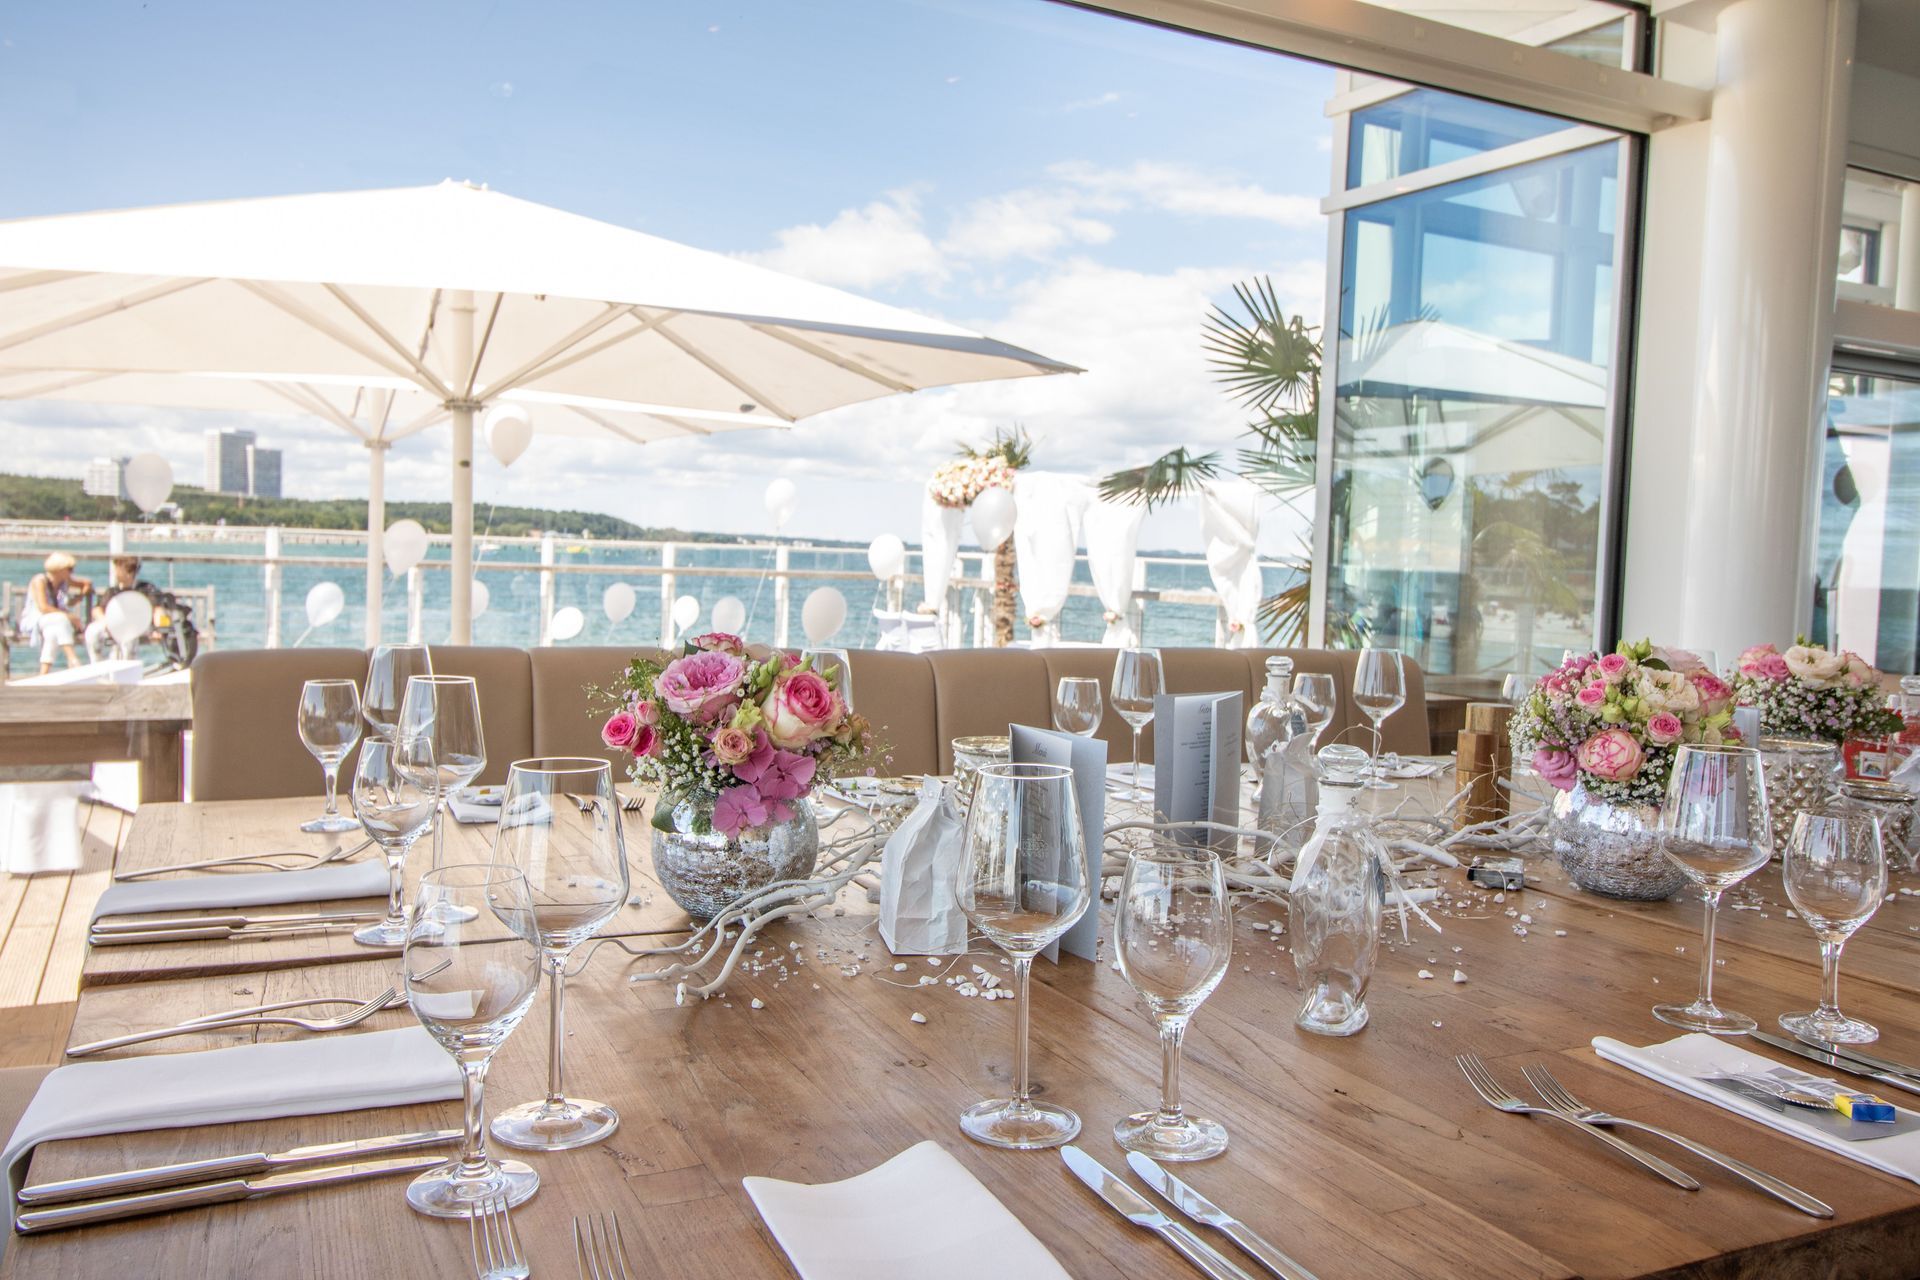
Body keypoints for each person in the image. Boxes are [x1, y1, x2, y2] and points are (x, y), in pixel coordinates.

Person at [20, 552, 91, 675]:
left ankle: (44, 673)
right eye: (69, 569)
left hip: (52, 623)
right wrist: (69, 616)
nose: (71, 572)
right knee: (59, 620)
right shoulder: (40, 581)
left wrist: (80, 596)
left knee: (52, 632)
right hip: (36, 620)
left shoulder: (64, 582)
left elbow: (86, 583)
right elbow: (43, 607)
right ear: (60, 569)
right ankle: (72, 658)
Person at [85, 555, 161, 662]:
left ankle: (125, 666)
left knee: (128, 635)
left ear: (129, 573)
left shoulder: (146, 589)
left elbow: (156, 609)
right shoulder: (113, 591)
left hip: (139, 626)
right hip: (114, 625)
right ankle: (96, 665)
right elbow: (97, 609)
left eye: (118, 569)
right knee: (92, 631)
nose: (115, 572)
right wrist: (105, 622)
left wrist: (158, 628)